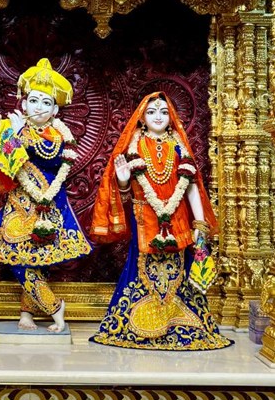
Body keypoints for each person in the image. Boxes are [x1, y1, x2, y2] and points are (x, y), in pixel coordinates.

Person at [89, 91, 232, 350]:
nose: (158, 116)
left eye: (164, 112)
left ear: (171, 117)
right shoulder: (133, 146)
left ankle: (177, 323)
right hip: (144, 217)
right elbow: (124, 193)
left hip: (178, 216)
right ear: (142, 118)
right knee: (141, 265)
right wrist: (123, 180)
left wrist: (200, 224)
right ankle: (136, 323)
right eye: (152, 112)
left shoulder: (178, 144)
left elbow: (191, 185)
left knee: (179, 266)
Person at [0, 58, 91, 332]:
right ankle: (53, 306)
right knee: (18, 255)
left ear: (55, 109)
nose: (38, 107)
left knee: (38, 256)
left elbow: (50, 157)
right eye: (33, 100)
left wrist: (17, 135)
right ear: (24, 103)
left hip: (49, 200)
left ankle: (28, 312)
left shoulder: (58, 134)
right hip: (19, 200)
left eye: (45, 102)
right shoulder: (13, 127)